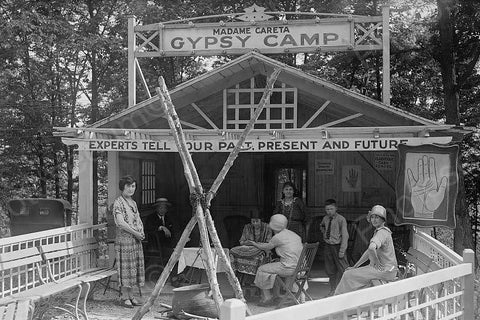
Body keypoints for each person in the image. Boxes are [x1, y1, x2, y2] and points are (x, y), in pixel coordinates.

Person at [334, 205, 398, 295]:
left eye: (377, 217)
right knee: (351, 272)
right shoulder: (381, 231)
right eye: (372, 217)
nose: (374, 220)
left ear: (383, 220)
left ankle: (339, 301)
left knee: (347, 275)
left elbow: (371, 248)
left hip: (385, 271)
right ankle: (350, 301)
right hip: (386, 270)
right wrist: (355, 266)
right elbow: (369, 252)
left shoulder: (382, 233)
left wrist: (375, 260)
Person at [247, 214, 303, 306]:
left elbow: (266, 247)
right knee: (273, 269)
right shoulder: (294, 235)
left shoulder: (278, 237)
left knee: (261, 269)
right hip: (300, 267)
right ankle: (276, 295)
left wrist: (254, 244)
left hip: (288, 267)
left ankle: (267, 298)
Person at [112, 175, 145, 308]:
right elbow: (121, 223)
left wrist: (141, 231)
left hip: (135, 241)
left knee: (133, 269)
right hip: (124, 241)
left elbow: (138, 219)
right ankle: (124, 297)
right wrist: (136, 233)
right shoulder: (118, 203)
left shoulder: (133, 202)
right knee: (126, 269)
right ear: (122, 187)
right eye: (128, 186)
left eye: (133, 186)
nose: (131, 189)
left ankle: (131, 296)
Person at [321, 199, 349, 296]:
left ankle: (344, 290)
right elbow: (322, 226)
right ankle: (333, 289)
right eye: (327, 209)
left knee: (343, 268)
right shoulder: (325, 219)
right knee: (330, 269)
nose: (329, 211)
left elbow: (345, 236)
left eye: (331, 209)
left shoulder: (341, 219)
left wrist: (342, 250)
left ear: (336, 208)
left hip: (338, 246)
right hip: (328, 245)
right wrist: (324, 233)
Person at [144, 197, 174, 264]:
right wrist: (161, 227)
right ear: (156, 208)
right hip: (155, 245)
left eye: (164, 208)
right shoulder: (150, 218)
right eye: (160, 208)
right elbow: (147, 229)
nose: (163, 210)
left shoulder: (168, 218)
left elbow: (173, 230)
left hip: (168, 244)